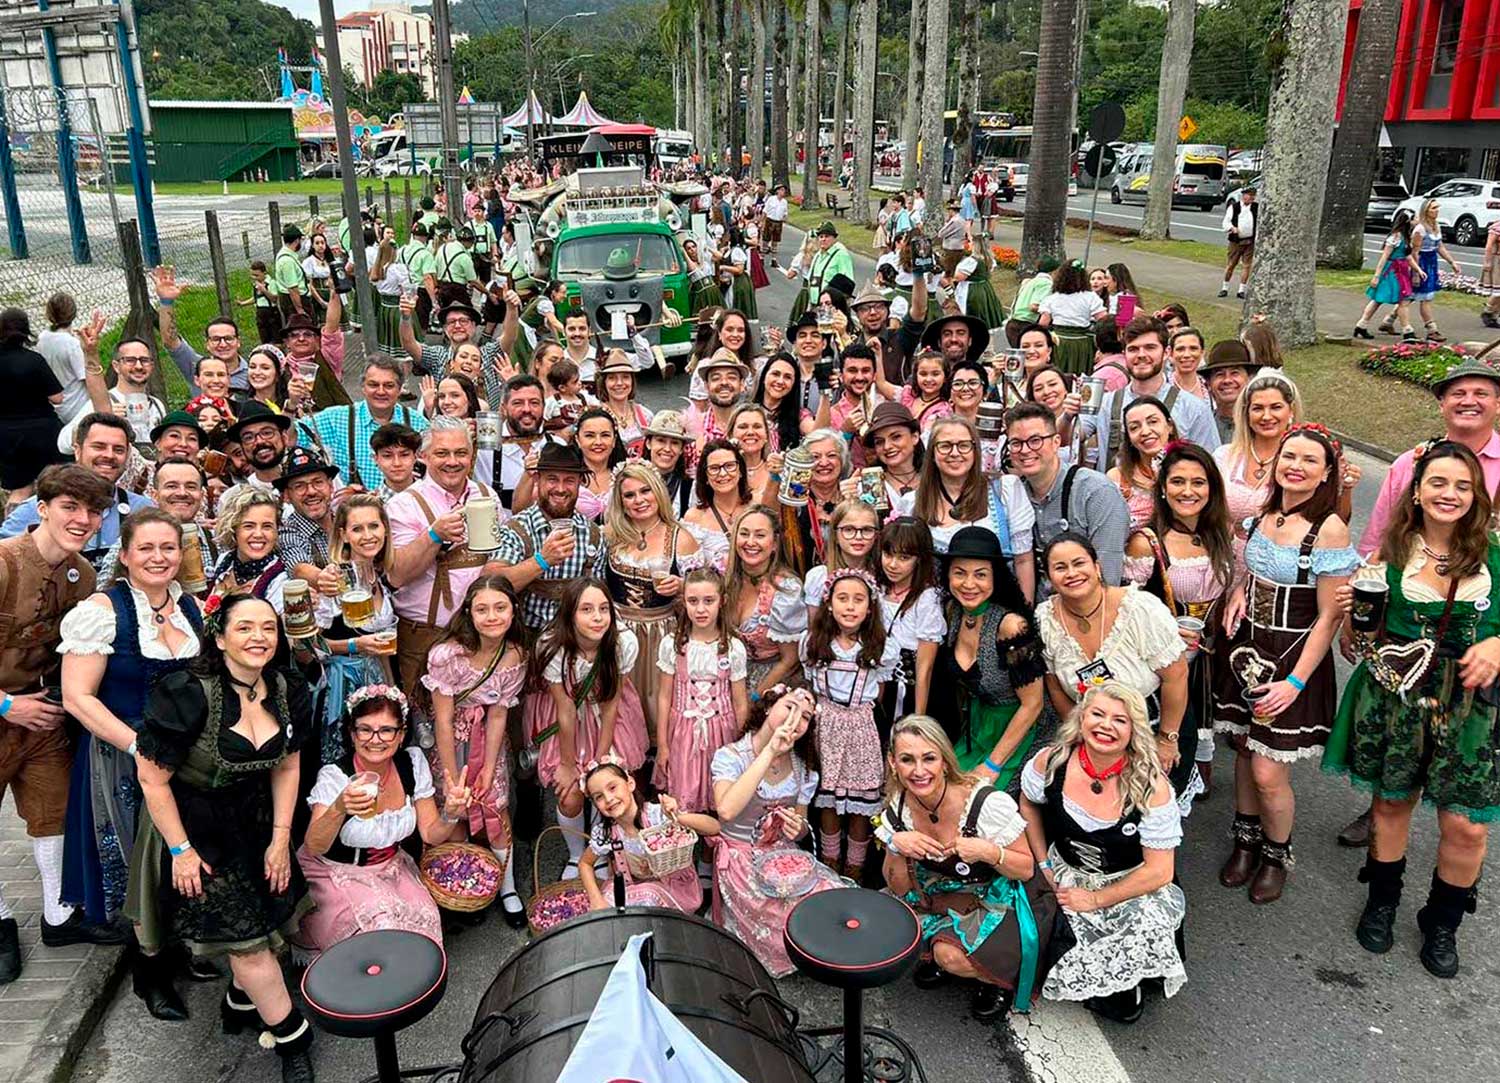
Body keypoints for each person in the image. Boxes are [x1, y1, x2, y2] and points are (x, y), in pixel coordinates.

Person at [1323, 441, 1500, 978]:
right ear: (1417, 492)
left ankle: (1443, 919)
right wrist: (1353, 616)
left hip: (1470, 708)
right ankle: (1383, 899)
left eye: (1462, 485)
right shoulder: (1390, 556)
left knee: (1466, 825)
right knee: (1391, 806)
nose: (1449, 494)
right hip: (1398, 701)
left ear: (1477, 496)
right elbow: (1364, 644)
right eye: (1438, 483)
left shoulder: (1495, 555)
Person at [130, 595, 316, 1083]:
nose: (259, 637)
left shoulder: (284, 687)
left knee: (261, 915)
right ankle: (294, 1038)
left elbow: (289, 763)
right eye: (245, 628)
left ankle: (239, 1002)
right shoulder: (186, 693)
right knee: (250, 942)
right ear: (218, 637)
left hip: (253, 820)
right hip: (191, 826)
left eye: (269, 628)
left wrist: (280, 838)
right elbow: (151, 779)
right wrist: (180, 850)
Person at [59, 509, 203, 1017]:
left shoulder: (188, 606)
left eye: (168, 547)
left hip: (183, 758)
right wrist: (138, 745)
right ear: (124, 555)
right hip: (122, 759)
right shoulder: (102, 610)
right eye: (146, 548)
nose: (159, 558)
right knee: (137, 865)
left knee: (180, 856)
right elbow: (78, 698)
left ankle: (181, 946)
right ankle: (150, 973)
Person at [1215, 425, 1357, 904]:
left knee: (1268, 771)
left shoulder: (1329, 528)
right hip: (1249, 651)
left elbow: (1329, 617)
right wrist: (1238, 590)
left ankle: (1277, 854)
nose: (1295, 466)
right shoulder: (1264, 514)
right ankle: (1245, 840)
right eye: (1288, 456)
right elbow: (1249, 571)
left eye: (1309, 460)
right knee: (1244, 750)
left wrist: (1296, 681)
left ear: (1326, 474)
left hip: (1293, 655)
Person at [0, 466, 121, 987]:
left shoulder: (82, 576)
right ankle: (2, 917)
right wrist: (6, 706)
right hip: (6, 709)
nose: (83, 520)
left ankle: (57, 915)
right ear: (42, 508)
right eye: (71, 507)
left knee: (52, 815)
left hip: (42, 714)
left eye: (94, 512)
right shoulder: (3, 563)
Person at [877, 714, 1061, 1019]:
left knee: (948, 956)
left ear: (945, 762)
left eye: (929, 758)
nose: (919, 771)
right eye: (907, 760)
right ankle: (959, 958)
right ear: (894, 764)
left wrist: (989, 851)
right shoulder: (899, 804)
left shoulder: (987, 804)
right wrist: (896, 844)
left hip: (1005, 891)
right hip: (950, 888)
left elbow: (1027, 869)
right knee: (893, 929)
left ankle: (997, 979)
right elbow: (898, 884)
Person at [1020, 684, 1186, 1022]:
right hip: (1067, 872)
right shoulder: (1052, 761)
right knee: (1034, 940)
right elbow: (1028, 804)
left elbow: (1159, 872)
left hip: (1130, 882)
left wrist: (1095, 900)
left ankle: (1130, 983)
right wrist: (1044, 863)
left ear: (1134, 731)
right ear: (1081, 719)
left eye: (1120, 720)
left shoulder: (1151, 785)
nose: (1105, 726)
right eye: (1097, 714)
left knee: (1123, 1003)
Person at [296, 684, 470, 957]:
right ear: (352, 734)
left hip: (391, 867)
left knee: (426, 926)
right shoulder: (335, 776)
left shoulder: (412, 764)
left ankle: (405, 992)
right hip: (337, 871)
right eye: (365, 729)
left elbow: (431, 834)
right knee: (380, 930)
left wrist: (450, 813)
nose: (375, 739)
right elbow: (315, 845)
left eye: (387, 730)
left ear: (401, 735)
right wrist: (339, 806)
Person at [1036, 532, 1195, 803]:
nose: (1071, 573)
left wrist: (1168, 739)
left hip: (1154, 724)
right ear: (1050, 578)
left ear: (1097, 567)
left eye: (1079, 563)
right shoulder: (1045, 619)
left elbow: (1177, 676)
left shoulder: (1139, 609)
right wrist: (1078, 733)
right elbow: (1054, 683)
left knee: (1150, 812)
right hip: (1093, 733)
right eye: (1060, 567)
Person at [1124, 442, 1236, 797]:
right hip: (1167, 661)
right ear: (1162, 487)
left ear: (1212, 488)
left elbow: (1239, 580)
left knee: (1205, 735)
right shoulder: (1147, 542)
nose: (1188, 491)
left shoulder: (1222, 533)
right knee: (1172, 743)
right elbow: (1129, 609)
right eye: (1178, 482)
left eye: (1198, 482)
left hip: (1211, 653)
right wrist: (1167, 629)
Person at [710, 685, 844, 977]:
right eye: (791, 707)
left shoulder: (804, 768)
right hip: (741, 858)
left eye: (806, 716)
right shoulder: (730, 756)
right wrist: (770, 750)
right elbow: (726, 811)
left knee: (831, 900)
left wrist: (797, 829)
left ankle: (824, 955)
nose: (797, 719)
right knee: (784, 917)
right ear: (769, 707)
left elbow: (799, 829)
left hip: (783, 856)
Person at [422, 576, 529, 927]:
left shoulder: (514, 655)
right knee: (453, 808)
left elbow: (499, 713)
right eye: (482, 609)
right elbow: (443, 719)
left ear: (513, 610)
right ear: (469, 612)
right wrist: (453, 774)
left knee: (494, 803)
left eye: (500, 607)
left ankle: (507, 887)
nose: (492, 616)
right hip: (452, 740)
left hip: (487, 740)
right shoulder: (448, 655)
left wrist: (488, 767)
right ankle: (456, 885)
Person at [530, 577, 650, 878]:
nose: (597, 618)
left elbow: (612, 703)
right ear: (570, 614)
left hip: (609, 718)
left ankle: (598, 852)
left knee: (605, 786)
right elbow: (566, 708)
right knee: (570, 794)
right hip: (568, 720)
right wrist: (569, 764)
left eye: (603, 609)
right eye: (586, 609)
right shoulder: (552, 645)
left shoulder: (622, 641)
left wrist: (600, 762)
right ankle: (575, 855)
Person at [387, 419, 503, 703]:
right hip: (425, 638)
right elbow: (397, 575)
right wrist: (434, 536)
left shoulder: (487, 496)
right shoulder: (403, 505)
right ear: (424, 456)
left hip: (483, 637)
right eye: (442, 453)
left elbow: (500, 560)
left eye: (461, 453)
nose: (453, 461)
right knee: (425, 731)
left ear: (472, 454)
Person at [929, 525, 1048, 785]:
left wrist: (992, 765)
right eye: (959, 573)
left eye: (980, 575)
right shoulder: (952, 612)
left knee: (982, 803)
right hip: (976, 728)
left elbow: (1032, 704)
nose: (969, 584)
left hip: (1017, 732)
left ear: (995, 578)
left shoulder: (1010, 626)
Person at [802, 566, 899, 882]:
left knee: (860, 803)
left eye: (858, 599)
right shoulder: (814, 642)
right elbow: (812, 685)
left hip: (860, 727)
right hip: (826, 725)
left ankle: (854, 867)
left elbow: (881, 691)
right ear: (829, 603)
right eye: (842, 598)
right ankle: (830, 862)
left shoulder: (880, 647)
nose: (850, 606)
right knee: (828, 798)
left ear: (870, 608)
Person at [1360, 358, 1500, 559]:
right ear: (1442, 404)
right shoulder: (1409, 463)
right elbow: (1378, 535)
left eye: (1481, 394)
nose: (1468, 401)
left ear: (1498, 404)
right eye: (1458, 394)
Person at [603, 463, 699, 736]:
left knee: (659, 713)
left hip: (661, 634)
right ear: (620, 501)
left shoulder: (681, 538)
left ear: (658, 491)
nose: (639, 500)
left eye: (645, 491)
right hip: (616, 634)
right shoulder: (611, 534)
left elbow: (705, 593)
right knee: (617, 715)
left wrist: (682, 588)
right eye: (629, 495)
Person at [3, 412, 155, 577]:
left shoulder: (142, 509)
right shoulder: (34, 509)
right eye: (99, 446)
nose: (109, 455)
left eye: (118, 449)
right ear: (77, 450)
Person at [308, 494, 398, 768]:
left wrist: (393, 690)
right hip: (340, 686)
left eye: (374, 526)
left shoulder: (380, 575)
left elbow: (382, 645)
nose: (368, 535)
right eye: (357, 529)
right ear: (344, 535)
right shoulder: (334, 580)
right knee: (343, 765)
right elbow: (311, 646)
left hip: (378, 682)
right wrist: (355, 645)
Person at [1005, 402, 1131, 596]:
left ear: (1056, 442)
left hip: (1088, 610)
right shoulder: (1013, 494)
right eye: (1016, 443)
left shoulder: (1096, 492)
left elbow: (1107, 579)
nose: (1025, 450)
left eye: (1035, 440)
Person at [654, 566, 748, 817]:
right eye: (693, 601)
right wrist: (662, 744)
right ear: (684, 602)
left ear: (722, 601)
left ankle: (712, 853)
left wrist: (743, 747)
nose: (701, 609)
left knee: (720, 795)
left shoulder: (733, 647)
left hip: (722, 732)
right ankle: (684, 851)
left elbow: (740, 702)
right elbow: (665, 697)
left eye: (709, 601)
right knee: (684, 799)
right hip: (684, 733)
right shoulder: (673, 644)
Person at [490, 441, 606, 634]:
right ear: (538, 480)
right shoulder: (517, 529)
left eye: (569, 480)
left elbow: (598, 599)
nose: (560, 489)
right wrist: (542, 561)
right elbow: (492, 582)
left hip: (575, 641)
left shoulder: (593, 535)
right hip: (524, 641)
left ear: (580, 483)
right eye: (552, 479)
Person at [576, 757, 719, 912]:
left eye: (612, 788)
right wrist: (596, 899)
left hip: (674, 891)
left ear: (630, 783)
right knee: (610, 899)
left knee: (649, 895)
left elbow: (714, 827)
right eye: (599, 797)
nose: (608, 799)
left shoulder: (657, 815)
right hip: (636, 888)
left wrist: (678, 817)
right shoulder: (607, 832)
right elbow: (585, 864)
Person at [1080, 316, 1220, 473]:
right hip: (1113, 494)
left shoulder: (1194, 408)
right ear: (1124, 354)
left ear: (1166, 352)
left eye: (1150, 347)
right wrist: (1067, 415)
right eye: (1133, 349)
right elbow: (1073, 437)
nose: (1141, 354)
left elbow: (1211, 467)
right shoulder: (1105, 402)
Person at [1213, 369, 1306, 561]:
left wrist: (1346, 486)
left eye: (1276, 407)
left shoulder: (1305, 462)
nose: (1266, 416)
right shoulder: (1224, 457)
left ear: (1291, 410)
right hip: (1226, 562)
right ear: (1246, 413)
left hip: (1278, 568)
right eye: (1258, 408)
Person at [298, 358, 426, 492]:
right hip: (355, 509)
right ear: (363, 387)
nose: (381, 391)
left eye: (389, 385)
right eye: (373, 385)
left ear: (400, 389)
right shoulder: (336, 418)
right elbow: (290, 436)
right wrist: (291, 405)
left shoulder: (417, 423)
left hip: (405, 507)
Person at [726, 505, 806, 695]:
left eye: (760, 535)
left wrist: (754, 697)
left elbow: (789, 660)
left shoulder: (786, 589)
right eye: (744, 534)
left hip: (774, 682)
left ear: (775, 543)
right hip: (733, 675)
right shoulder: (726, 578)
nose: (750, 542)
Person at [0, 307, 64, 506]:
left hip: (7, 434)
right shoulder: (34, 360)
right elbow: (57, 398)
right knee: (57, 481)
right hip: (43, 431)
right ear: (26, 332)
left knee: (19, 489)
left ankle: (10, 531)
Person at [153, 268, 251, 395]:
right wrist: (166, 302)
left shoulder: (253, 373)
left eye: (228, 338)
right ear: (207, 344)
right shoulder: (195, 366)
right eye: (216, 339)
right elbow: (170, 341)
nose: (222, 344)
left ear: (238, 342)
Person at [208, 489, 291, 614]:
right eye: (248, 526)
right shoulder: (225, 561)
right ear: (234, 529)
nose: (258, 534)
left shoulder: (280, 579)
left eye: (267, 526)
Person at [1107, 397, 1180, 530]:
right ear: (1128, 437)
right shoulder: (1117, 477)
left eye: (1153, 422)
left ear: (1169, 426)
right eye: (1134, 427)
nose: (1145, 432)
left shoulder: (1192, 467)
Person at [1353, 208, 1420, 341]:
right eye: (1415, 218)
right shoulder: (1395, 237)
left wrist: (1418, 270)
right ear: (1408, 221)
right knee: (1398, 299)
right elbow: (1384, 257)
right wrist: (1377, 276)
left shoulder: (1406, 237)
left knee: (1385, 299)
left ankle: (1361, 325)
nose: (1418, 220)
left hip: (1401, 271)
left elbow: (1408, 257)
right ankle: (1407, 331)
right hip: (1392, 272)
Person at [274, 448, 340, 583]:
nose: (311, 491)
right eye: (299, 486)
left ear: (331, 486)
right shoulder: (288, 531)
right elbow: (298, 567)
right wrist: (322, 578)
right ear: (286, 496)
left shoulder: (346, 519)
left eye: (318, 482)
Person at [1037, 261, 1105, 375]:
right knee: (1080, 374)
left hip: (1059, 342)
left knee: (1058, 373)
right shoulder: (1090, 297)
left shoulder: (1052, 298)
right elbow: (1104, 320)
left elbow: (1043, 323)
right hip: (1082, 343)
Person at [1411, 198, 1463, 342]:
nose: (1436, 211)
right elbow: (1414, 251)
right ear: (1425, 211)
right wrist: (1415, 272)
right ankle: (1432, 329)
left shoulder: (1436, 226)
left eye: (1437, 208)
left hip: (1432, 262)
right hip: (1421, 262)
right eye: (1433, 208)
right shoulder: (1420, 229)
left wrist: (1452, 262)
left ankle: (1388, 321)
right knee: (1424, 297)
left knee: (1412, 296)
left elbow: (1439, 246)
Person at [784, 221, 855, 324]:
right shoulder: (818, 255)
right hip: (815, 304)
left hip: (831, 307)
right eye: (821, 236)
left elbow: (847, 283)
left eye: (827, 236)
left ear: (834, 238)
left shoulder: (841, 254)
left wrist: (839, 307)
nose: (823, 239)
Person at [751, 353, 818, 453]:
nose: (780, 381)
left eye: (787, 377)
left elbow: (818, 434)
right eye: (775, 374)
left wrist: (824, 392)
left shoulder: (800, 415)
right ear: (764, 377)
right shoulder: (747, 411)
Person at [1199, 340, 1256, 444]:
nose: (1227, 380)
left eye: (1235, 373)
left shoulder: (1260, 426)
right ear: (1208, 384)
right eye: (1219, 374)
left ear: (1249, 379)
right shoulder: (1201, 427)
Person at [642, 411, 694, 517]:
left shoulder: (690, 487)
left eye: (675, 443)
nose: (667, 449)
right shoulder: (630, 480)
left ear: (682, 449)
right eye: (661, 440)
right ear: (648, 443)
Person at [1009, 257, 1060, 345]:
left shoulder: (1031, 281)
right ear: (1053, 271)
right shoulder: (1046, 283)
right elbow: (1033, 306)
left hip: (1014, 323)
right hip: (1025, 324)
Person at [1220, 185, 1257, 299]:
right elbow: (1226, 222)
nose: (1250, 198)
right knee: (1231, 264)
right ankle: (1225, 287)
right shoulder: (1234, 207)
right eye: (1248, 195)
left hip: (1250, 241)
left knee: (1247, 265)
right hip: (1236, 241)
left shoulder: (1256, 207)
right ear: (1243, 196)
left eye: (1252, 196)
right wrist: (1232, 228)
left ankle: (1241, 290)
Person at [370, 422, 422, 500]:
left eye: (404, 455)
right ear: (376, 459)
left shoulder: (434, 497)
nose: (397, 463)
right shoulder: (370, 505)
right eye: (387, 456)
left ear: (416, 456)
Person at [1167, 327, 1209, 401]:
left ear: (1202, 353)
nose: (1187, 355)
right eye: (1180, 349)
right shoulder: (1163, 386)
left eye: (1193, 348)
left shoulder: (1210, 387)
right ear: (1170, 353)